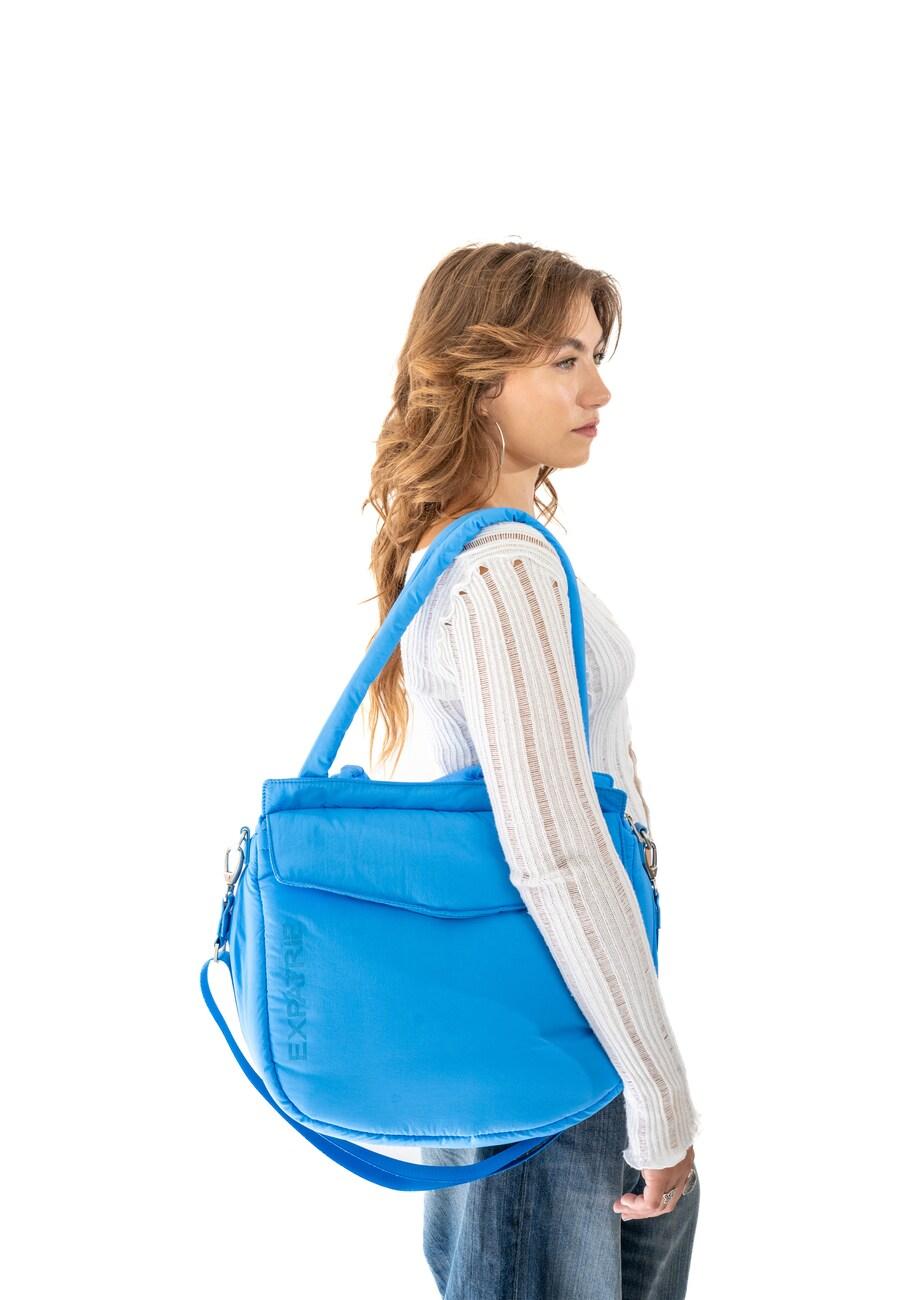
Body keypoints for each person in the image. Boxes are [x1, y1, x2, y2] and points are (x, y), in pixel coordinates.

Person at [362, 241, 701, 1299]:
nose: (599, 390)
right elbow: (555, 851)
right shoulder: (502, 567)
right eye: (565, 360)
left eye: (595, 356)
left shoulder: (471, 548)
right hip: (552, 1044)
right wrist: (659, 1096)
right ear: (478, 378)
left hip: (520, 1032)